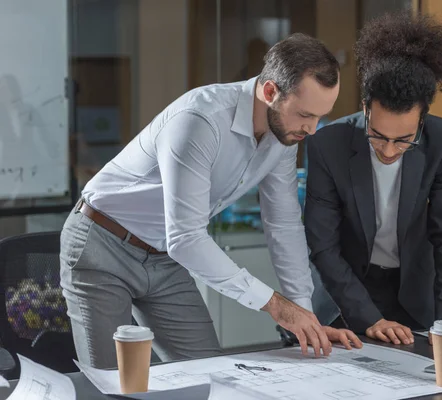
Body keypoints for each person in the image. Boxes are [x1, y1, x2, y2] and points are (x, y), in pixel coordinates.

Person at [60, 33, 362, 369]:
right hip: (104, 243)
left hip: (163, 258)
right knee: (113, 382)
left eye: (320, 116)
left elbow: (283, 223)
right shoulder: (201, 120)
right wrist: (275, 305)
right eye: (306, 114)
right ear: (270, 92)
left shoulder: (283, 136)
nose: (313, 129)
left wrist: (305, 317)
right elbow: (187, 237)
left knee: (208, 376)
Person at [305, 12, 442, 349]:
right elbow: (323, 246)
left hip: (413, 292)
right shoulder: (329, 145)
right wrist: (369, 318)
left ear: (423, 119)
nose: (388, 150)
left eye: (403, 140)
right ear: (366, 106)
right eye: (377, 135)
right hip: (345, 293)